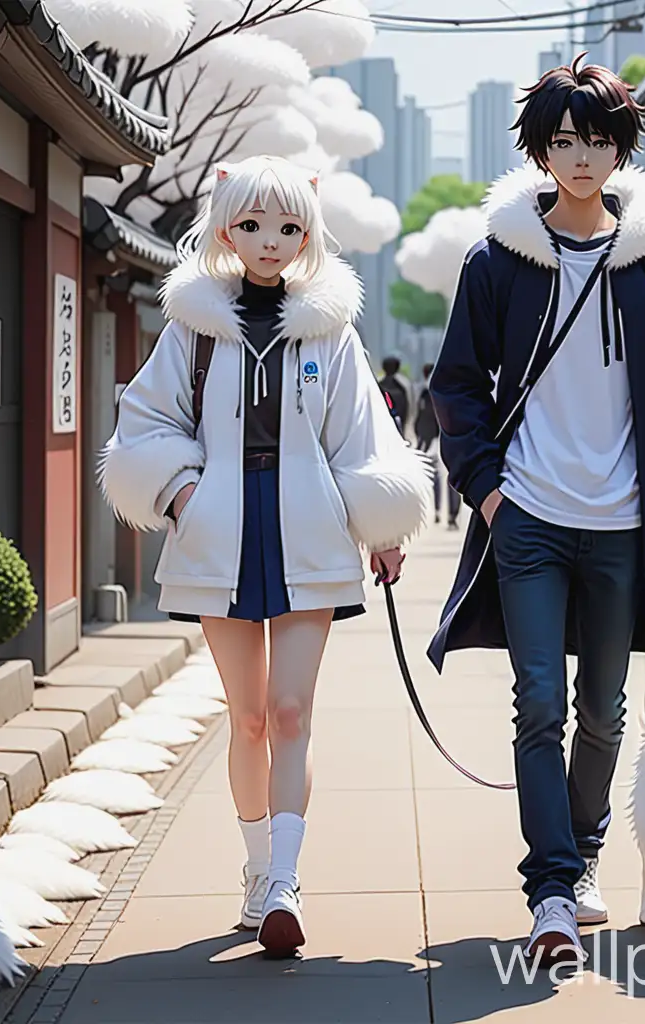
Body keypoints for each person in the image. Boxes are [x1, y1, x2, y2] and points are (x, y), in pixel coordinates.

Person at [425, 54, 645, 966]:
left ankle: (586, 853)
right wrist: (487, 489)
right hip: (528, 519)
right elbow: (455, 385)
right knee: (538, 705)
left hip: (624, 526)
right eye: (564, 141)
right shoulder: (499, 263)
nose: (581, 157)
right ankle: (553, 888)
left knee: (604, 710)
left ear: (620, 147)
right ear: (540, 150)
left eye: (597, 139)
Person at [97, 155, 432, 958]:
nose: (270, 241)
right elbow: (144, 422)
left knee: (290, 716)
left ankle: (285, 880)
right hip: (221, 539)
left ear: (308, 234)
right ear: (225, 230)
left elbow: (359, 435)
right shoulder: (193, 328)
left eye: (287, 228)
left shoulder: (328, 327)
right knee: (246, 720)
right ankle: (255, 872)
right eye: (252, 226)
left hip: (307, 536)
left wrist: (381, 527)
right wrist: (181, 495)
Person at [415, 362, 461, 529]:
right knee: (451, 480)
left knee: (437, 479)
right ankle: (451, 515)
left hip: (433, 441)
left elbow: (420, 420)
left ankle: (438, 511)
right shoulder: (451, 391)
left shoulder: (425, 394)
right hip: (448, 440)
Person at [378, 355, 414, 435]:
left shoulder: (378, 383)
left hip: (384, 423)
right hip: (400, 422)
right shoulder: (405, 384)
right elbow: (411, 404)